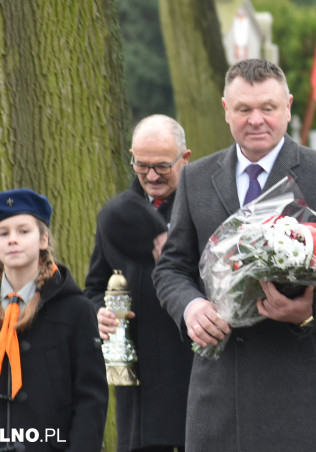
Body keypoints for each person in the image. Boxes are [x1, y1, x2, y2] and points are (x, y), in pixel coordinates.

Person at [152, 59, 316, 452]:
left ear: (289, 107)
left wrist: (310, 312)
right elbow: (172, 268)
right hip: (219, 389)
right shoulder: (196, 178)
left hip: (300, 387)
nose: (256, 120)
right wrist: (191, 307)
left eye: (268, 107)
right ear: (226, 110)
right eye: (244, 109)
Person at [0, 188, 108, 452]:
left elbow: (91, 400)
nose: (13, 240)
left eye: (23, 231)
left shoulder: (75, 311)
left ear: (43, 239)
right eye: (4, 233)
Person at [84, 115, 193, 452]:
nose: (151, 175)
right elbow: (93, 288)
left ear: (184, 158)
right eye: (141, 165)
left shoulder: (203, 209)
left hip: (192, 373)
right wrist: (98, 313)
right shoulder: (116, 215)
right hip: (140, 382)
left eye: (162, 166)